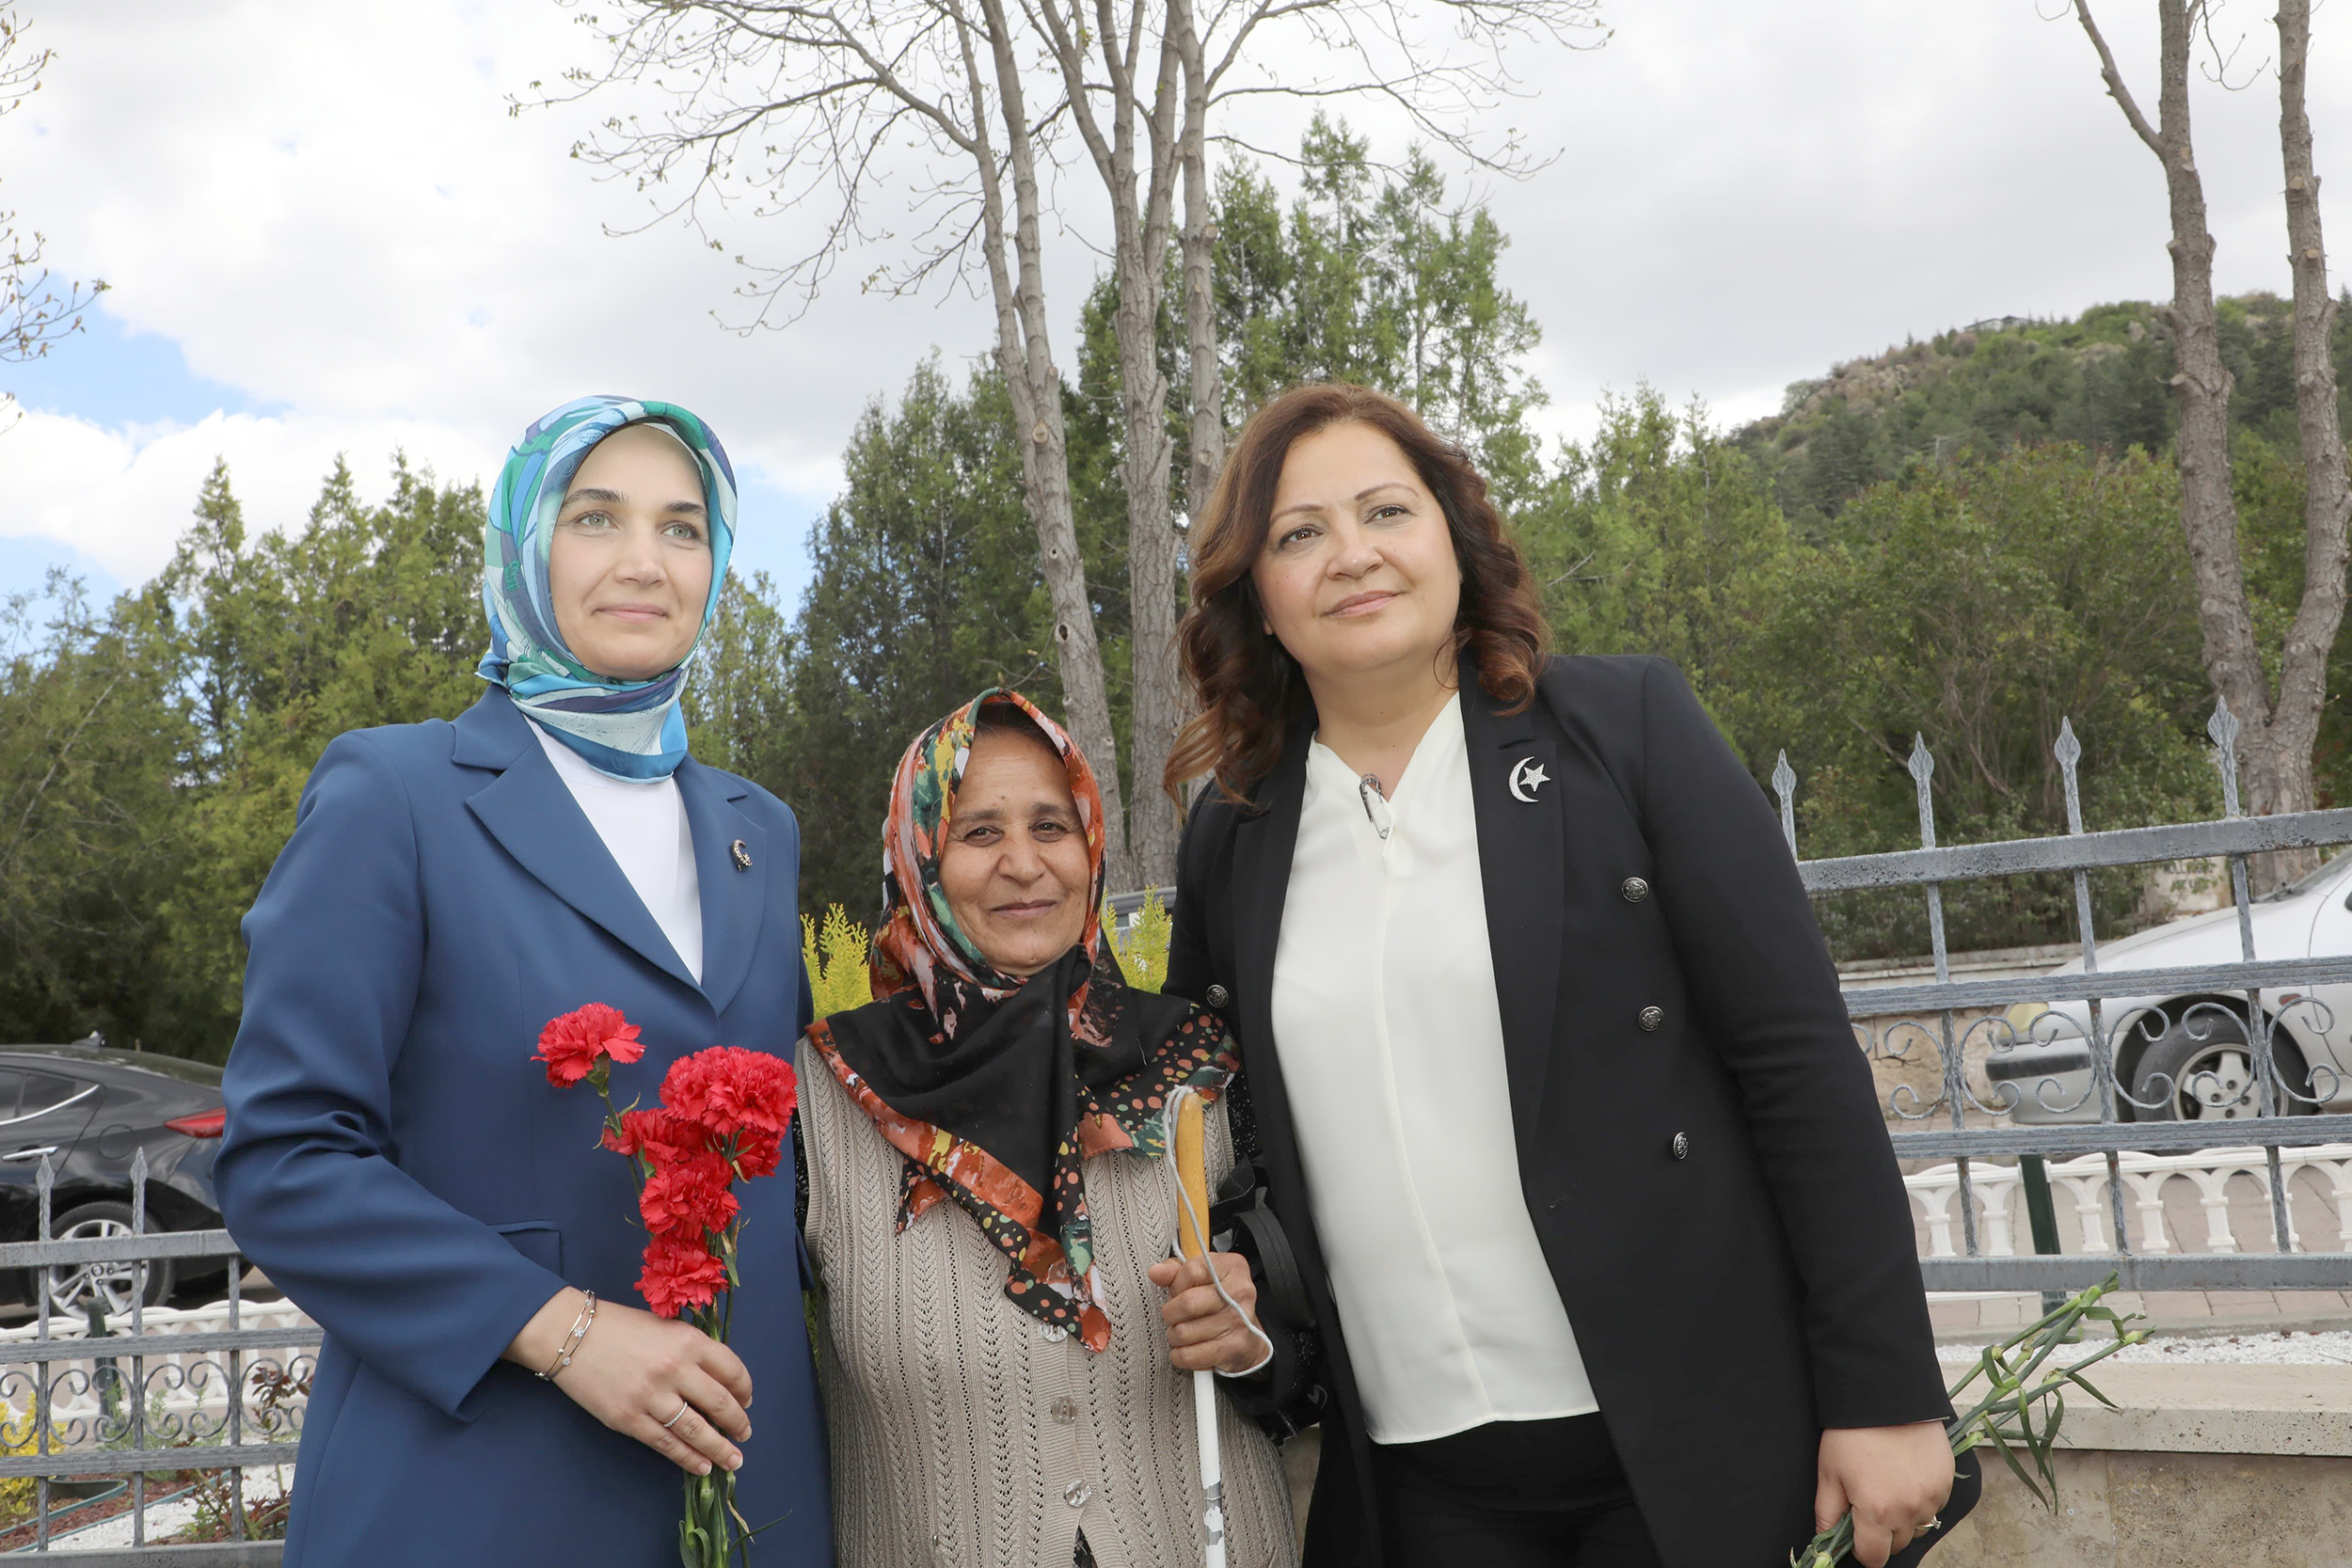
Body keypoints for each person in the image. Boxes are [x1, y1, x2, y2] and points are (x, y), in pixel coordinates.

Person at [1159, 384, 1979, 1568]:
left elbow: (1797, 1062)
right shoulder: (1231, 837)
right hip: (1415, 1487)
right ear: (1259, 598)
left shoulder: (1624, 730)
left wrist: (1887, 1391)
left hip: (1691, 1458)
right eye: (1298, 533)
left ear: (1454, 539)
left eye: (1386, 509)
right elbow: (1227, 1152)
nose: (1352, 554)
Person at [214, 397, 831, 1566]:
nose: (645, 561)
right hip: (479, 1491)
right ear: (525, 542)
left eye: (684, 526)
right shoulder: (395, 795)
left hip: (747, 1494)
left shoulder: (761, 827)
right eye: (597, 518)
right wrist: (564, 1331)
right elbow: (284, 1156)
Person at [797, 689, 1299, 1568]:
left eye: (1052, 826)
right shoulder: (822, 1095)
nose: (1024, 864)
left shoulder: (1204, 1065)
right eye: (979, 832)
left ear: (1091, 848)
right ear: (919, 859)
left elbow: (1325, 1346)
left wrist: (1257, 1342)